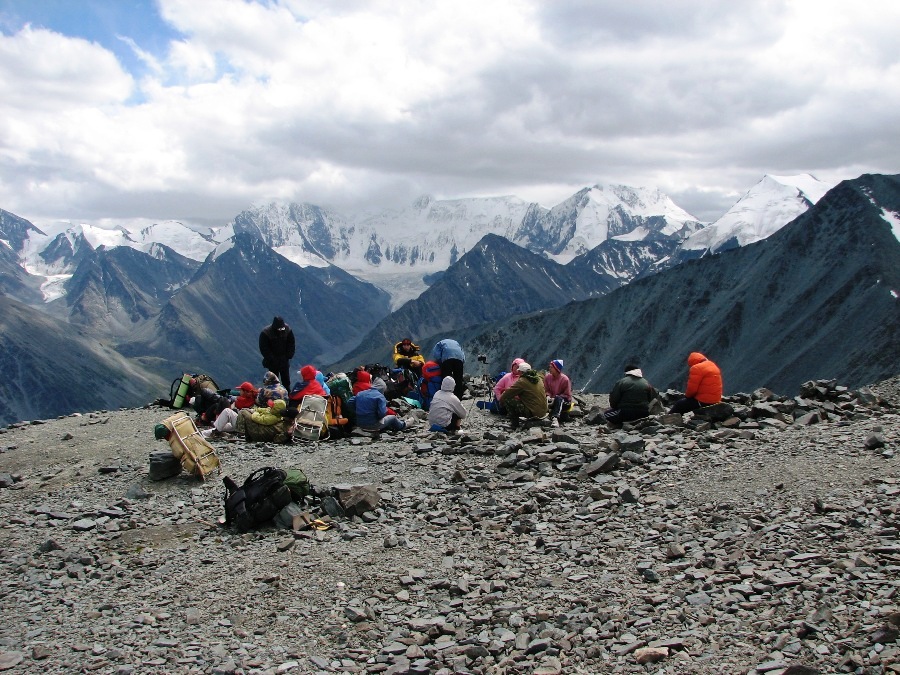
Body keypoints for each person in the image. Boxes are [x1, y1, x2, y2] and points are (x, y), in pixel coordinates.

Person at [500, 362, 548, 429]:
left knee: (508, 400)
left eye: (519, 371)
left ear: (521, 372)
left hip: (534, 413)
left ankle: (514, 424)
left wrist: (501, 401)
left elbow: (508, 393)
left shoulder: (522, 381)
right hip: (543, 412)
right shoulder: (538, 378)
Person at [259, 316, 295, 388]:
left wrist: (288, 355)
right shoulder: (266, 333)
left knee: (286, 381)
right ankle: (274, 395)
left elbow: (291, 343)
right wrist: (271, 358)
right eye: (279, 328)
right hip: (272, 362)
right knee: (273, 382)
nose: (281, 330)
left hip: (284, 359)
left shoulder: (287, 330)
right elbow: (264, 348)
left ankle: (287, 395)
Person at [544, 359, 572, 428]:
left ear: (556, 368)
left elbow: (567, 395)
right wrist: (548, 396)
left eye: (551, 367)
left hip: (564, 402)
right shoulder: (547, 377)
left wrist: (555, 398)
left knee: (558, 399)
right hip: (551, 401)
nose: (549, 369)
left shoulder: (565, 379)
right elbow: (546, 389)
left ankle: (555, 418)